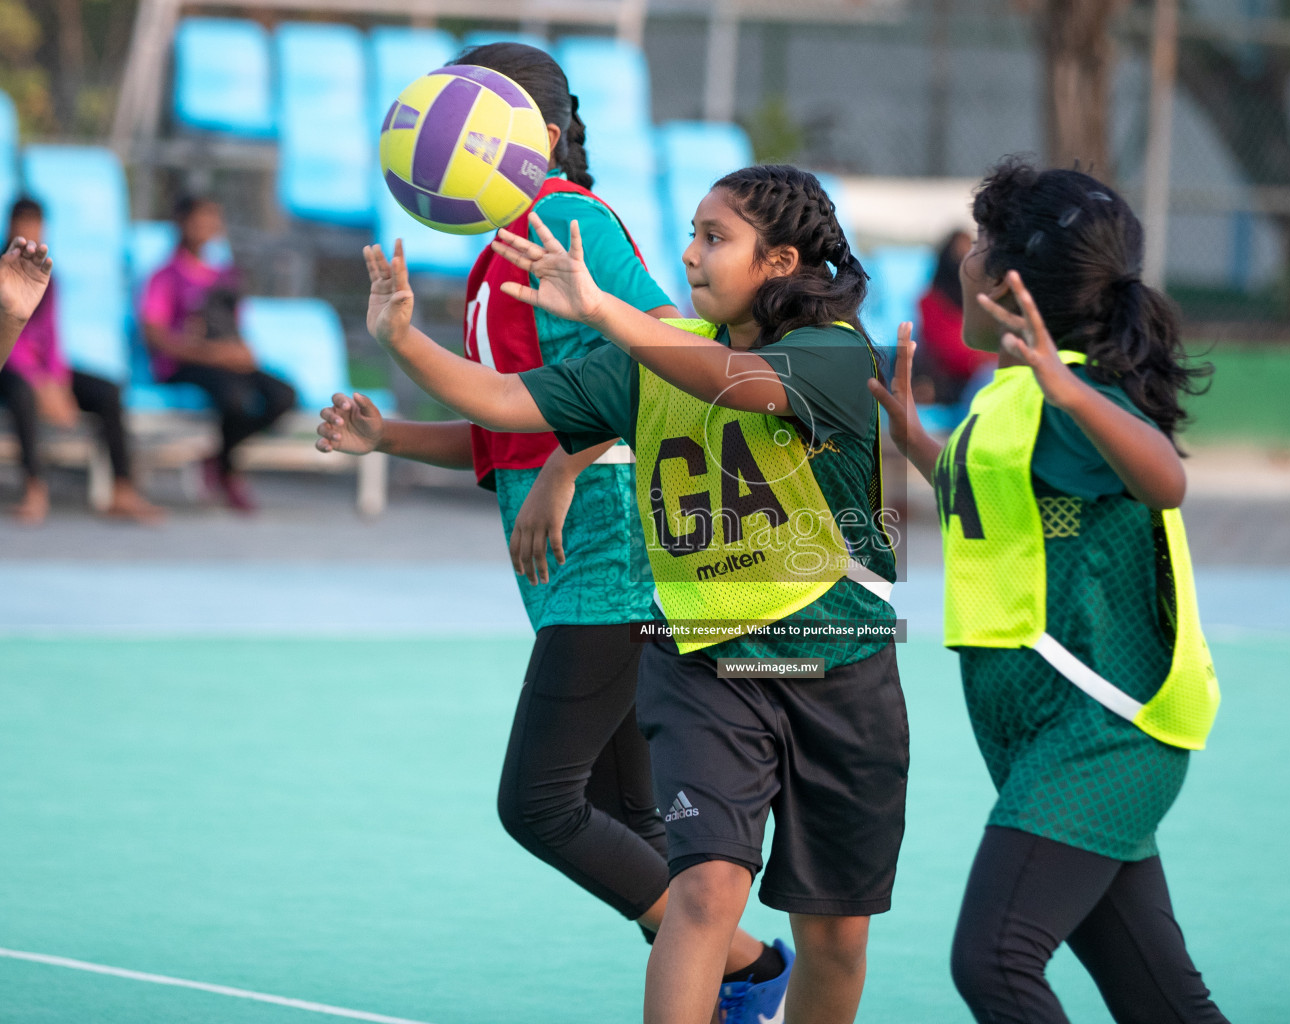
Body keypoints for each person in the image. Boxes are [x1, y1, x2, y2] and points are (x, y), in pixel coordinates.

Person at [355, 163, 905, 1024]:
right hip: (707, 667)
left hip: (836, 666)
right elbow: (503, 401)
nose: (690, 255)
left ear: (779, 260)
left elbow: (732, 383)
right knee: (703, 891)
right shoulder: (648, 361)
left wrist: (603, 309)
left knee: (837, 939)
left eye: (714, 238)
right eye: (690, 233)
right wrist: (403, 341)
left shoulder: (836, 355)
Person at [316, 45, 789, 1023]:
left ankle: (746, 968)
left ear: (526, 135)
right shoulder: (499, 256)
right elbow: (510, 419)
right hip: (581, 569)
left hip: (617, 551)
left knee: (539, 804)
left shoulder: (567, 220)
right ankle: (729, 985)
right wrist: (389, 433)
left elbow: (671, 351)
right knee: (630, 819)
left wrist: (570, 464)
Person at [872, 159, 1228, 1024]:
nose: (965, 255)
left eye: (982, 240)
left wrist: (1072, 389)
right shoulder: (1014, 394)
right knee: (1159, 999)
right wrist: (915, 440)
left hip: (1105, 726)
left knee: (995, 961)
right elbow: (989, 505)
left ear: (1007, 278)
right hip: (1044, 730)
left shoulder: (1069, 391)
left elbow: (1165, 480)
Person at [0, 198, 162, 524]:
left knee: (107, 391)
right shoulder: (4, 273)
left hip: (43, 372)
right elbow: (11, 344)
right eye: (24, 223)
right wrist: (38, 381)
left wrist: (58, 381)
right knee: (21, 393)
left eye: (36, 223)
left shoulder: (46, 277)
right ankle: (35, 487)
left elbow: (52, 336)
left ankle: (123, 488)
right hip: (12, 367)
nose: (30, 230)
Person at [140, 196, 295, 512]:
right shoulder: (164, 277)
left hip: (224, 361)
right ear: (182, 223)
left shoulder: (224, 277)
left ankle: (219, 458)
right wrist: (212, 353)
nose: (208, 226)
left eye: (213, 219)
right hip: (185, 363)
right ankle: (229, 473)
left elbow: (232, 328)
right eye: (200, 219)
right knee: (234, 399)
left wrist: (240, 351)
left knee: (283, 395)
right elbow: (156, 338)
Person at [913, 228, 994, 406]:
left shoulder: (982, 298)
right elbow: (950, 353)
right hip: (954, 383)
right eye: (959, 255)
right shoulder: (931, 301)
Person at [0, 233, 51, 369]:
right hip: (18, 370)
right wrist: (11, 320)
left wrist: (60, 380)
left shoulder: (47, 281)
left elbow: (53, 339)